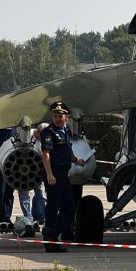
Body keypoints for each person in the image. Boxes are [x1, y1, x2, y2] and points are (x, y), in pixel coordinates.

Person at [38, 101, 80, 249]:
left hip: (63, 174)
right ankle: (51, 240)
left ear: (66, 117)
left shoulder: (65, 131)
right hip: (54, 174)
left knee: (69, 208)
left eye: (60, 116)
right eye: (55, 116)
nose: (57, 119)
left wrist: (75, 160)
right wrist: (50, 174)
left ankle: (51, 233)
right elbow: (46, 155)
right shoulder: (48, 133)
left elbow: (67, 148)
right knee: (53, 206)